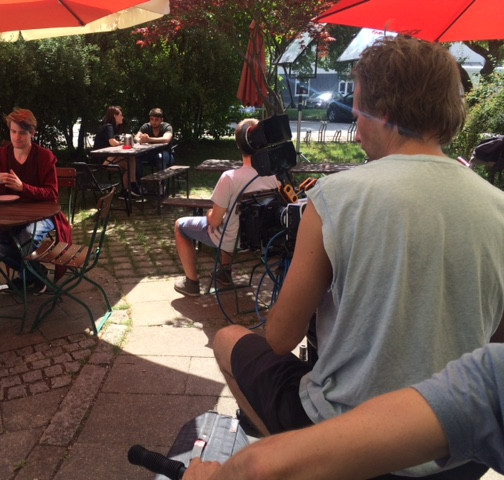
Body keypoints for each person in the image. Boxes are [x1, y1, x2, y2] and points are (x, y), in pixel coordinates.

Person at [213, 36, 504, 477]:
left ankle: (288, 459)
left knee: (227, 339)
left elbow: (280, 339)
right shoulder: (498, 207)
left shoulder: (336, 197)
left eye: (357, 113)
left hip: (342, 444)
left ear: (383, 113)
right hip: (457, 453)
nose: (355, 129)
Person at [184, 343, 504, 480]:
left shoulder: (491, 375)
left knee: (226, 338)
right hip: (462, 466)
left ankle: (294, 453)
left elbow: (281, 338)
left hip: (330, 419)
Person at [173, 118, 279, 297]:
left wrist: (209, 214)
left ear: (238, 145)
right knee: (231, 221)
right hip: (257, 238)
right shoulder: (274, 176)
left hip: (231, 238)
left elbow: (214, 222)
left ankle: (191, 283)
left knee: (180, 225)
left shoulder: (230, 177)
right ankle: (224, 273)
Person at [0, 108, 71, 291]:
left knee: (26, 237)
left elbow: (52, 194)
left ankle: (30, 278)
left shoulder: (44, 157)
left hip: (43, 215)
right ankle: (36, 274)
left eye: (22, 133)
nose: (16, 137)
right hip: (11, 216)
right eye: (13, 131)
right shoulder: (1, 155)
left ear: (32, 133)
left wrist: (23, 187)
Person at [93, 105, 140, 196]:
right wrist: (125, 143)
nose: (122, 117)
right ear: (115, 116)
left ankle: (129, 187)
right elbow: (113, 142)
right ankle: (130, 187)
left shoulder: (112, 128)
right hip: (101, 160)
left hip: (107, 157)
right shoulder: (108, 126)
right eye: (121, 115)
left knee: (130, 159)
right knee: (128, 162)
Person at [134, 107, 174, 177]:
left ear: (161, 120)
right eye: (151, 119)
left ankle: (162, 182)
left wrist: (149, 139)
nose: (154, 122)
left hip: (166, 153)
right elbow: (136, 137)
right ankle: (140, 181)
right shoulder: (146, 126)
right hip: (149, 153)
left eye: (156, 120)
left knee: (160, 157)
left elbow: (166, 139)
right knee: (135, 157)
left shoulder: (167, 127)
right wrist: (141, 140)